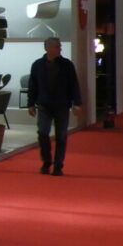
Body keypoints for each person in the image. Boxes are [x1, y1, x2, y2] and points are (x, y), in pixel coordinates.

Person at [27, 36, 82, 176]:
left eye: (60, 46)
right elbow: (32, 85)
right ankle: (46, 161)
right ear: (47, 48)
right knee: (43, 133)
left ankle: (58, 165)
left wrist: (77, 102)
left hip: (62, 105)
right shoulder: (37, 65)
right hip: (44, 104)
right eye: (57, 46)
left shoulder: (67, 65)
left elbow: (73, 84)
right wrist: (31, 104)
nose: (59, 49)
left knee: (61, 136)